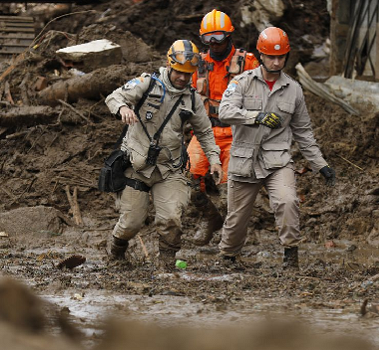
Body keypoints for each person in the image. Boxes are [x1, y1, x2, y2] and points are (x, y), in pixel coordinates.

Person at [217, 27, 336, 269]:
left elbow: (304, 132)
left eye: (281, 57)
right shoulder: (242, 83)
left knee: (288, 201)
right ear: (260, 55)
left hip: (277, 160)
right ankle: (228, 257)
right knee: (237, 217)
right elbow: (225, 112)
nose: (276, 61)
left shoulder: (293, 90)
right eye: (271, 56)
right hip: (244, 159)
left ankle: (290, 256)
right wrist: (255, 117)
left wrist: (321, 165)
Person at [104, 39, 222, 270]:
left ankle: (167, 265)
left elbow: (205, 132)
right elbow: (114, 97)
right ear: (169, 65)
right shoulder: (147, 84)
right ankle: (115, 253)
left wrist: (215, 160)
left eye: (188, 74)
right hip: (136, 167)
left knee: (171, 219)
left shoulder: (192, 99)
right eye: (179, 72)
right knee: (131, 223)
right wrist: (123, 108)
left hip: (170, 168)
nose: (183, 78)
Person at [187, 9, 259, 246]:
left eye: (218, 37)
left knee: (234, 192)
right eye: (209, 38)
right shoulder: (197, 65)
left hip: (237, 134)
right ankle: (210, 218)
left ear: (229, 36)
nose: (214, 43)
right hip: (205, 132)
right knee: (187, 179)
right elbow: (185, 98)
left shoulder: (247, 62)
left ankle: (233, 241)